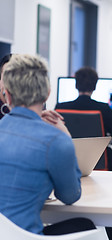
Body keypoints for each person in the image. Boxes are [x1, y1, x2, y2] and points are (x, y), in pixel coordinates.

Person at [0, 54, 96, 235]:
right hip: (24, 237)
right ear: (47, 94)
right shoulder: (56, 141)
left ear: (8, 96)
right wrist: (66, 137)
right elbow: (70, 196)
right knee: (85, 226)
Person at [55, 66, 112, 171]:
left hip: (67, 160)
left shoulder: (60, 108)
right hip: (98, 161)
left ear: (76, 85)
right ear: (94, 86)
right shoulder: (103, 109)